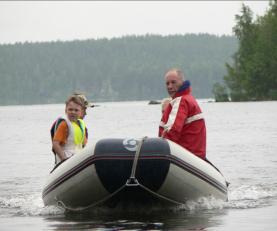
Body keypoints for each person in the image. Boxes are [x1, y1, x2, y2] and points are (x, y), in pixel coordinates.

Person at [158, 68, 206, 160]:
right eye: (167, 83)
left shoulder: (181, 101)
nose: (170, 86)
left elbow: (173, 131)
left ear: (182, 82)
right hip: (196, 156)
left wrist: (158, 148)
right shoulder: (189, 99)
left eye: (173, 82)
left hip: (186, 156)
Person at [52, 95, 88, 164]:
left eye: (76, 110)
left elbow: (83, 143)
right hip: (66, 159)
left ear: (81, 112)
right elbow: (55, 144)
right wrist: (64, 160)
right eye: (70, 109)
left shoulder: (81, 124)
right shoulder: (64, 124)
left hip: (78, 157)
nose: (73, 112)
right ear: (66, 110)